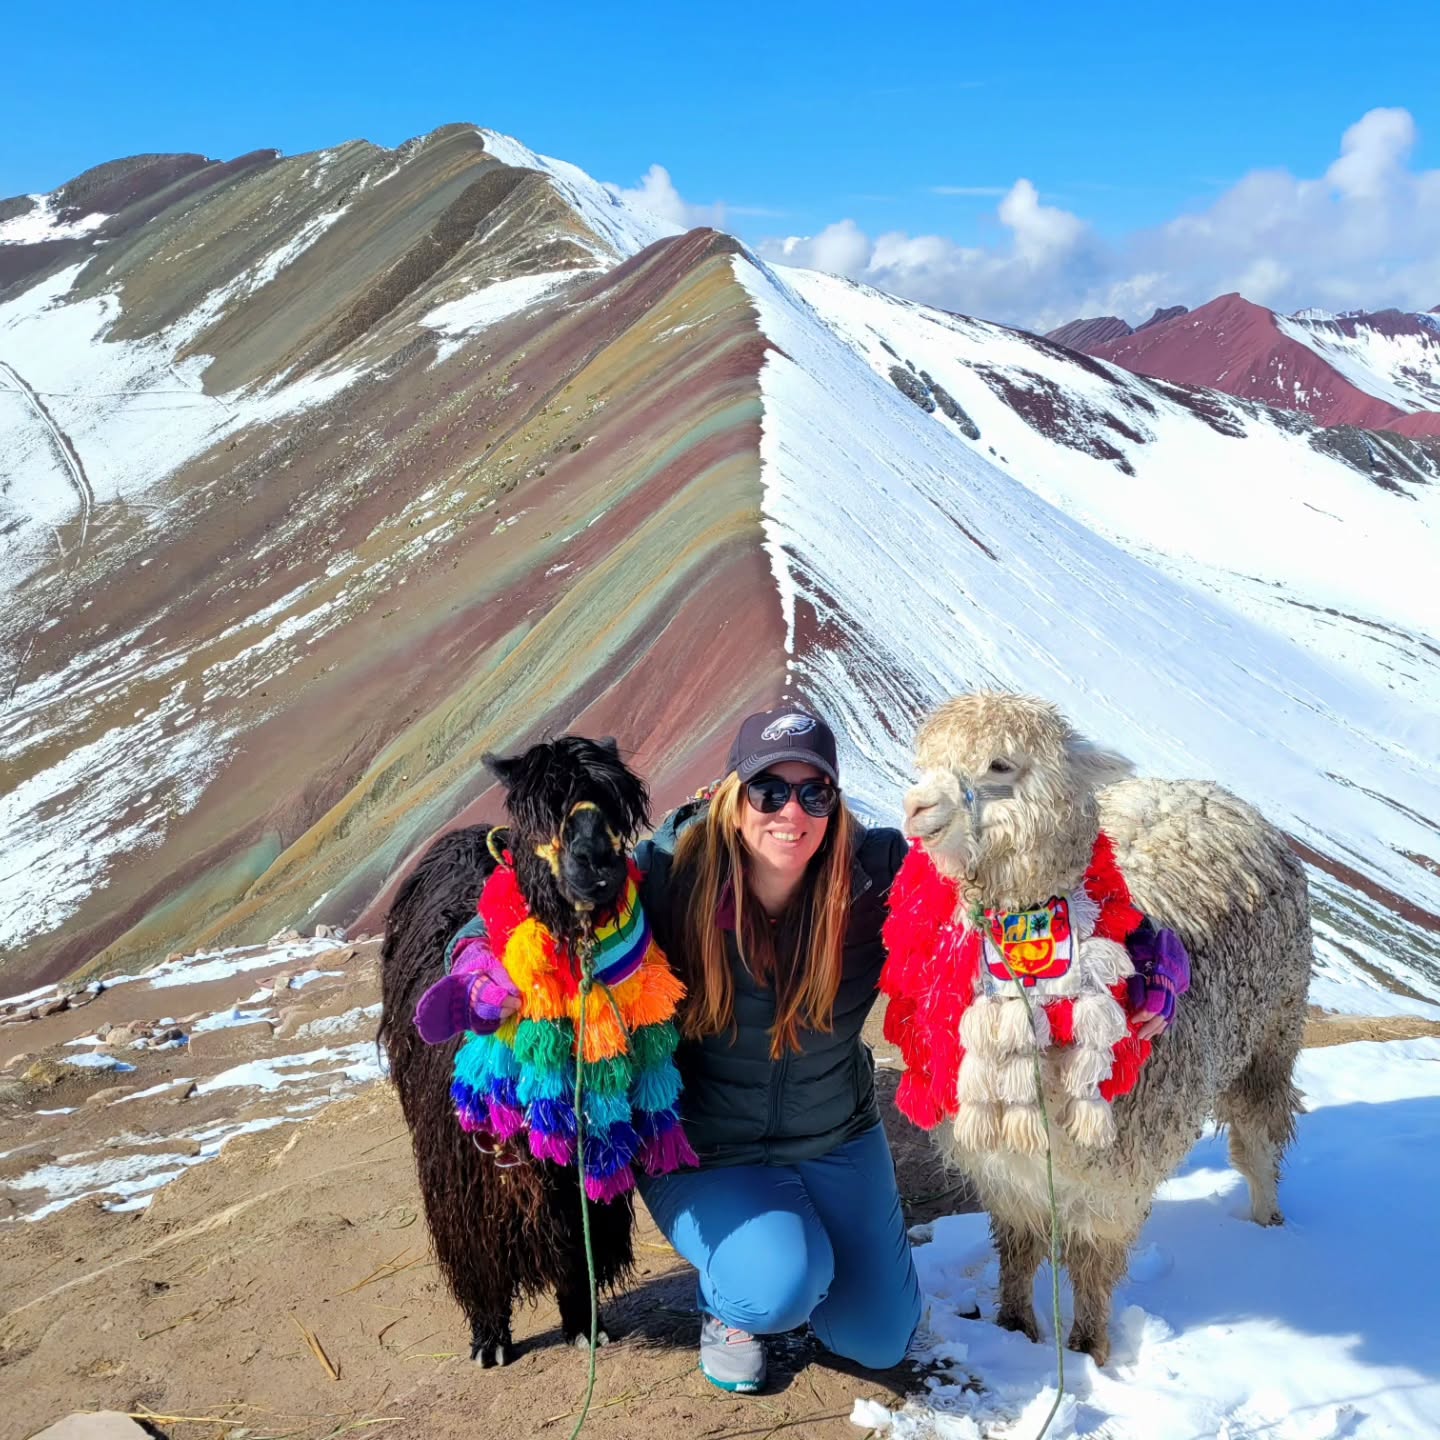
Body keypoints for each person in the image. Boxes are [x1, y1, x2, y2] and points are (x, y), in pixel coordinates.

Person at [634, 707, 922, 1393]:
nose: (791, 812)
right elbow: (528, 914)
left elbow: (1019, 890)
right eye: (769, 790)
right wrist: (482, 973)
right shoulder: (669, 876)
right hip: (705, 1146)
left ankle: (796, 1254)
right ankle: (732, 1301)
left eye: (814, 793)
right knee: (778, 1290)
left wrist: (1155, 965)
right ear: (735, 798)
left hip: (834, 1132)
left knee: (880, 1340)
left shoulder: (876, 877)